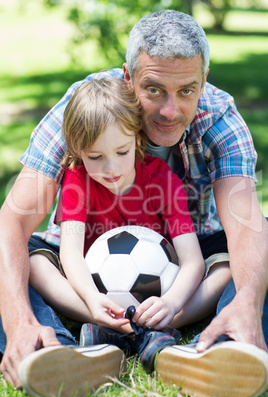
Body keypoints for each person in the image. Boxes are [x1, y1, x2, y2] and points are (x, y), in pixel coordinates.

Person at [0, 8, 267, 397]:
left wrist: (247, 299)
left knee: (259, 253)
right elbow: (14, 220)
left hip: (183, 258)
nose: (170, 111)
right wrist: (17, 317)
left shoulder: (219, 119)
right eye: (154, 89)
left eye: (187, 90)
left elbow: (245, 227)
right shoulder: (88, 110)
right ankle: (53, 350)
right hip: (79, 267)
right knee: (12, 258)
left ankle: (227, 348)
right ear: (127, 78)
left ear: (204, 81)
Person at [28, 77, 231, 338]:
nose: (110, 168)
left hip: (164, 286)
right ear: (78, 151)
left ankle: (164, 321)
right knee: (33, 261)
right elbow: (71, 255)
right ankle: (103, 319)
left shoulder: (162, 180)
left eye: (121, 152)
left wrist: (171, 302)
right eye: (95, 157)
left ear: (137, 140)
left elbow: (192, 261)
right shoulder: (77, 179)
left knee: (227, 266)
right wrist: (91, 297)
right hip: (96, 283)